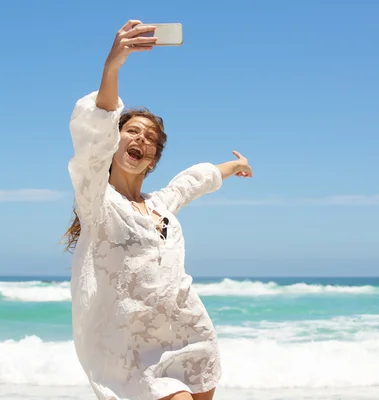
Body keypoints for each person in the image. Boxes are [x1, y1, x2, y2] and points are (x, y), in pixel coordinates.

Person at [64, 20, 253, 400]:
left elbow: (193, 180)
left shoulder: (160, 204)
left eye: (150, 138)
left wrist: (234, 166)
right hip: (129, 348)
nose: (141, 139)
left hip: (187, 330)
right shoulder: (96, 200)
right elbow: (94, 131)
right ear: (113, 144)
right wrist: (112, 66)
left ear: (152, 159)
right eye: (131, 131)